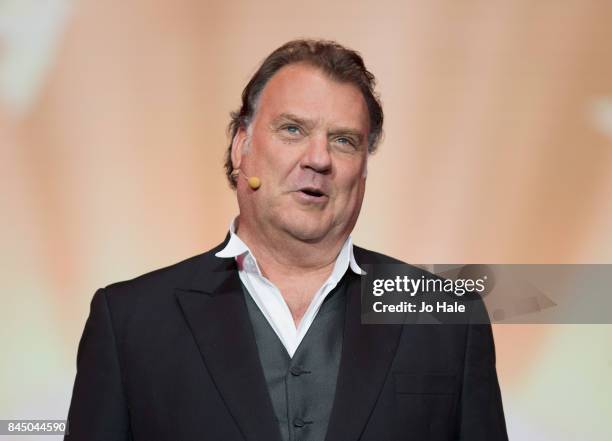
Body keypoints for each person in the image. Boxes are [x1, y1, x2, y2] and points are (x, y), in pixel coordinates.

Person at [64, 39, 508, 441]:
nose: (318, 159)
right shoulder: (130, 322)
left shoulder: (447, 319)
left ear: (364, 170)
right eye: (293, 129)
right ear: (241, 147)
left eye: (344, 140)